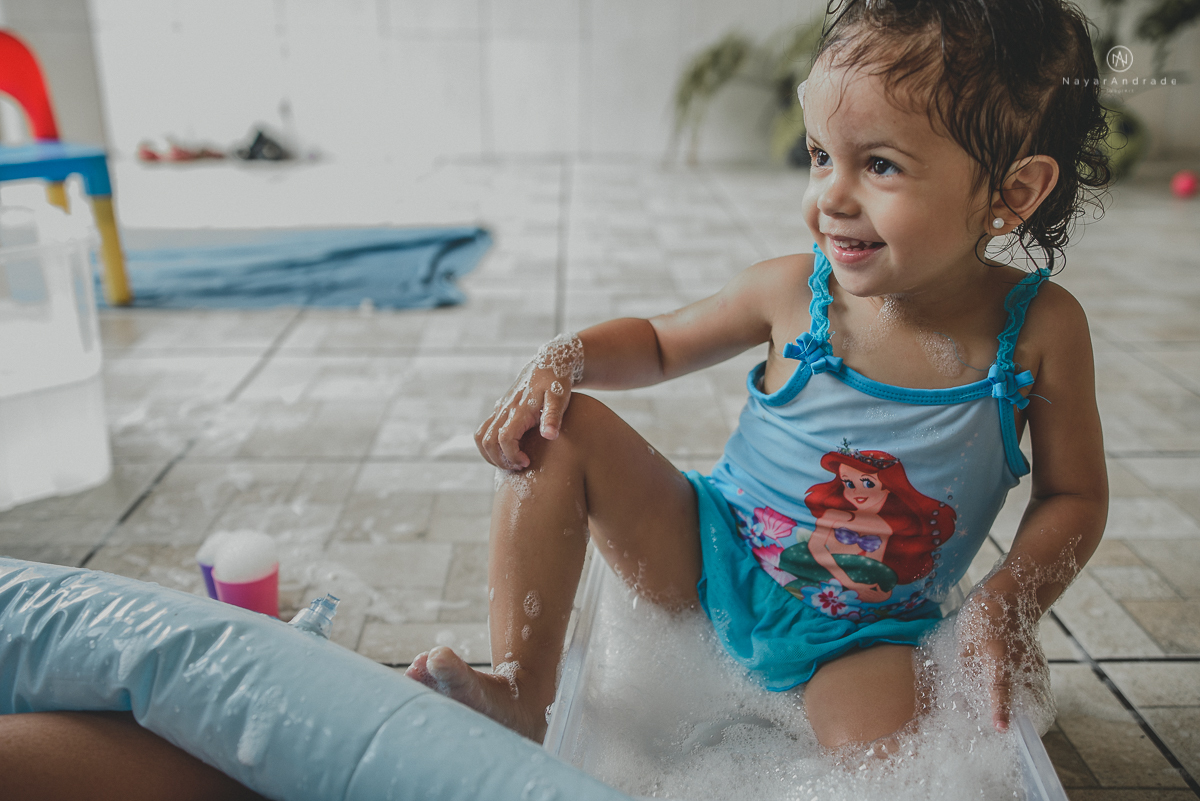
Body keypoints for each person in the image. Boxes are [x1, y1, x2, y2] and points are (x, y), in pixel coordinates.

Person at [406, 0, 1110, 752]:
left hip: (870, 634)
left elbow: (1074, 496)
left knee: (890, 757)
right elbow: (658, 341)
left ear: (1012, 193)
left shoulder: (1037, 332)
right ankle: (523, 690)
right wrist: (566, 355)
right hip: (709, 553)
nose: (830, 199)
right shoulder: (792, 293)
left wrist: (1004, 604)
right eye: (819, 156)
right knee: (557, 432)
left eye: (879, 165)